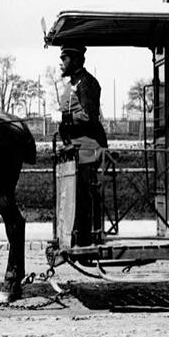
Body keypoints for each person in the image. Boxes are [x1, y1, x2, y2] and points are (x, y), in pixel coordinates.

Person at [58, 44, 108, 247]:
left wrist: (64, 118)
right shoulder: (73, 83)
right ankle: (78, 237)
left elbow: (89, 116)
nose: (61, 64)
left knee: (86, 196)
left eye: (65, 59)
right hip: (75, 150)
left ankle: (88, 240)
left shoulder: (87, 83)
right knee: (75, 197)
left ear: (76, 60)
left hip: (88, 150)